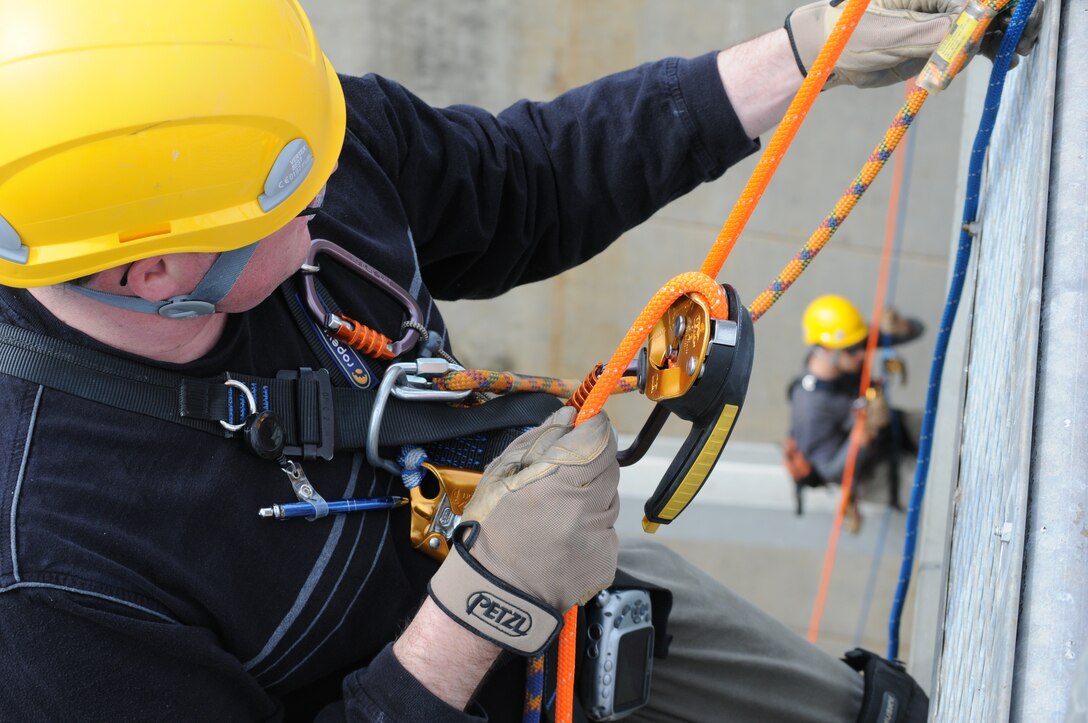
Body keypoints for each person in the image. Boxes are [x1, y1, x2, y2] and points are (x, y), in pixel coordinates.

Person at [0, 1, 1036, 720]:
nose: (331, 196)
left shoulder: (268, 135)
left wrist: (797, 54)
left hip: (565, 592)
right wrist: (484, 603)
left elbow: (522, 183)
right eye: (292, 204)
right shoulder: (51, 577)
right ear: (153, 273)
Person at [786, 294, 925, 523]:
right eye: (853, 349)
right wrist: (863, 435)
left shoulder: (847, 345)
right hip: (873, 472)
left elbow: (918, 330)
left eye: (862, 345)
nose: (862, 353)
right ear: (826, 350)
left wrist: (900, 327)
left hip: (891, 427)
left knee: (948, 429)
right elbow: (830, 470)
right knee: (939, 490)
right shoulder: (810, 410)